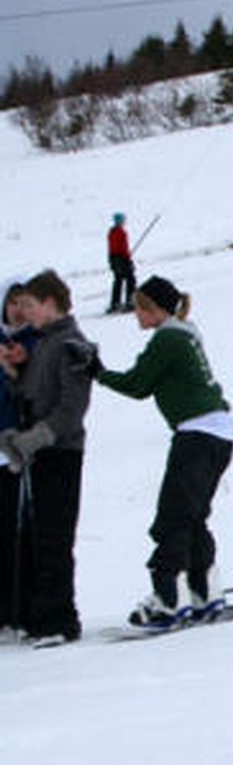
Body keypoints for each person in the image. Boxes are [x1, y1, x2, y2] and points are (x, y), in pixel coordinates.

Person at [94, 276, 233, 628]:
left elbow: (138, 385)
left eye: (140, 307)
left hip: (196, 435)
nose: (135, 315)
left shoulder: (168, 338)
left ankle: (168, 600)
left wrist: (96, 372)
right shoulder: (186, 334)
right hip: (219, 433)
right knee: (192, 515)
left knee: (172, 517)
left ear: (155, 309)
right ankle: (206, 593)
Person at [0, 269, 96, 647]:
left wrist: (36, 437)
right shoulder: (46, 343)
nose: (26, 313)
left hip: (62, 452)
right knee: (39, 536)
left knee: (55, 536)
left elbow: (72, 408)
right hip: (42, 454)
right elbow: (32, 394)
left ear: (50, 303)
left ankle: (59, 620)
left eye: (30, 305)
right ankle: (41, 618)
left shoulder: (71, 343)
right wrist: (12, 372)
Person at [1, 277, 41, 642]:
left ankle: (22, 612)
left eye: (22, 302)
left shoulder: (34, 343)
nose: (16, 309)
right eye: (11, 302)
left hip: (22, 451)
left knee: (21, 535)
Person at [107, 212, 137, 313]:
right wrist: (128, 259)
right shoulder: (121, 232)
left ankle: (115, 303)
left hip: (113, 258)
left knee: (118, 280)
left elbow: (112, 248)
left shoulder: (111, 232)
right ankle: (130, 302)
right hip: (122, 258)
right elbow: (124, 248)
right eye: (123, 220)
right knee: (131, 279)